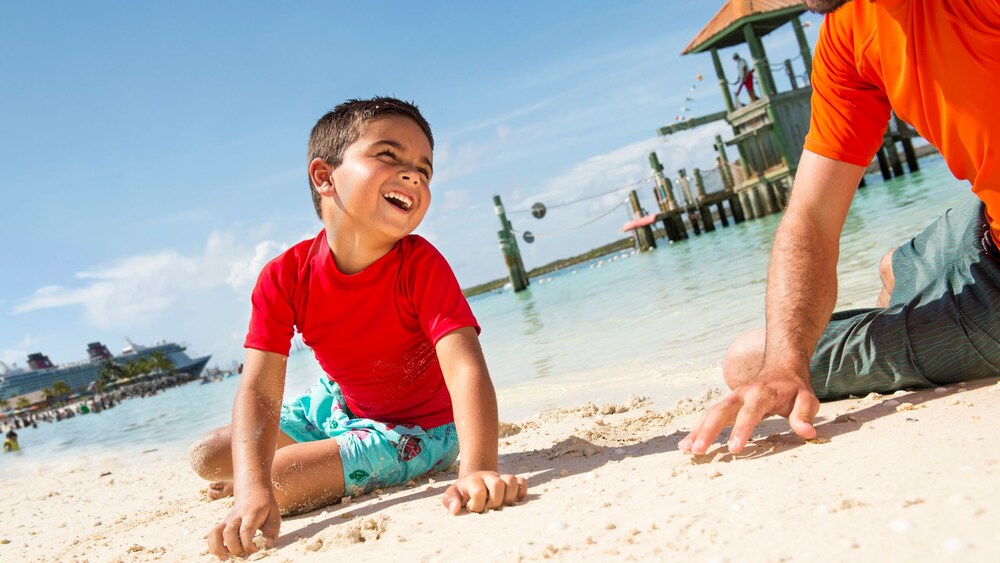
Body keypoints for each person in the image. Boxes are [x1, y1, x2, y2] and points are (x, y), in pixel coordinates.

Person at [189, 97, 527, 559]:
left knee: (280, 480)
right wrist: (249, 489)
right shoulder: (283, 277)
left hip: (417, 428)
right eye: (389, 156)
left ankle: (312, 461)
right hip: (342, 406)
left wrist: (477, 469)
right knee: (210, 455)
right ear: (325, 177)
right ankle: (312, 456)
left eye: (424, 170)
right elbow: (259, 391)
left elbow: (465, 368)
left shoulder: (421, 265)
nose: (413, 175)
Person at [680, 0, 1000, 456]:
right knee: (891, 267)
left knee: (746, 359)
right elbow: (811, 217)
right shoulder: (848, 32)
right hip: (985, 220)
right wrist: (785, 367)